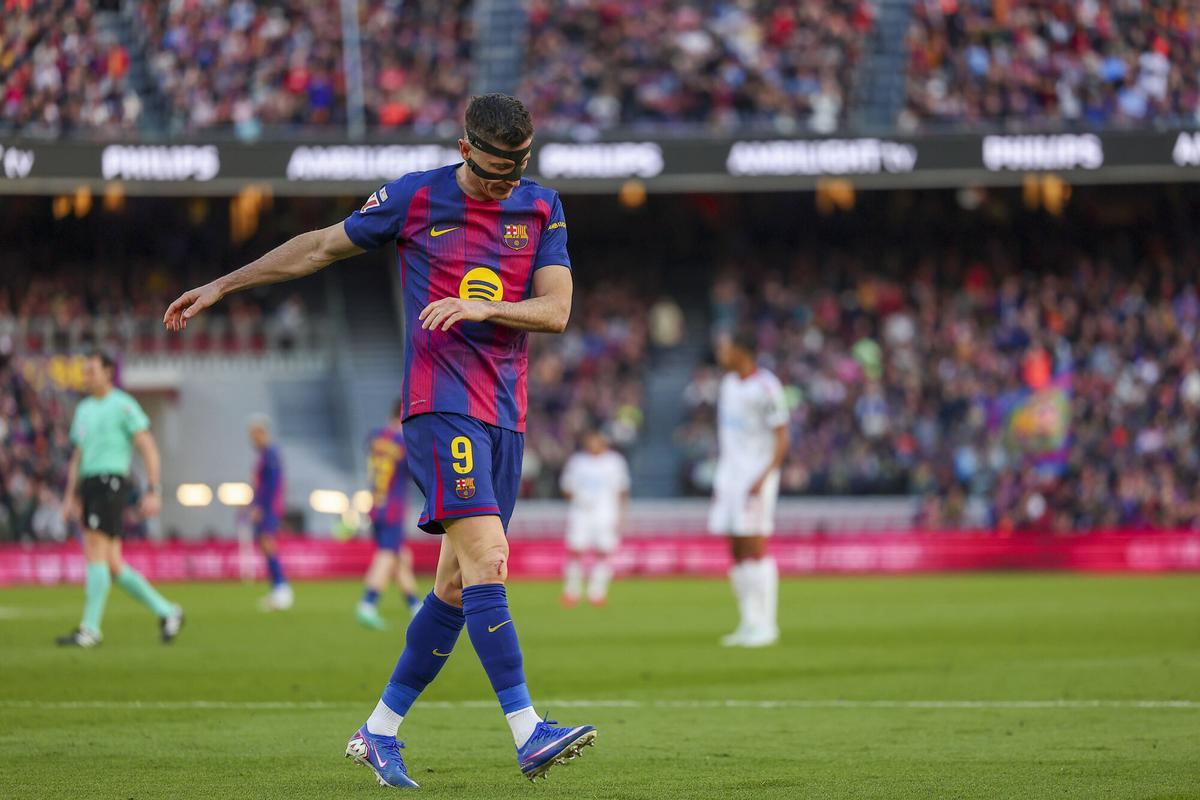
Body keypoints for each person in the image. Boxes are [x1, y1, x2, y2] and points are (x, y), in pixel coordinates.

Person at [163, 93, 595, 787]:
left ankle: (379, 731)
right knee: (489, 557)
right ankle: (528, 730)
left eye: (513, 174)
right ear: (463, 150)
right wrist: (224, 284)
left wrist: (484, 305)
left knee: (457, 584)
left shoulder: (541, 206)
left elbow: (558, 308)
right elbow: (321, 247)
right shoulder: (416, 197)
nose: (501, 188)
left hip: (505, 415)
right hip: (439, 405)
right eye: (490, 176)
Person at [56, 351, 183, 647]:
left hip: (110, 482)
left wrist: (153, 489)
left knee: (95, 551)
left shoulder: (123, 405)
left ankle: (90, 629)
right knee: (112, 564)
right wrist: (70, 496)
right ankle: (168, 611)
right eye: (85, 371)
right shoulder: (84, 409)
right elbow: (78, 456)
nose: (86, 377)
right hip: (90, 484)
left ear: (108, 373)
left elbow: (148, 447)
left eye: (91, 371)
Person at [708, 330, 789, 648]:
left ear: (741, 352)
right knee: (737, 548)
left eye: (726, 349)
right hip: (730, 478)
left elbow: (782, 436)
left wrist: (766, 475)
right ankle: (748, 621)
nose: (721, 354)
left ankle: (767, 625)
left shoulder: (766, 386)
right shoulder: (728, 385)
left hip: (757, 477)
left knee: (756, 546)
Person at [357, 399, 423, 630]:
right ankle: (367, 604)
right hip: (393, 508)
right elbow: (416, 472)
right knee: (387, 555)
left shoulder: (375, 436)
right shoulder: (403, 443)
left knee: (400, 558)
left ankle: (417, 608)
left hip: (375, 504)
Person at [559, 430, 630, 607]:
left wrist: (622, 515)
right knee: (576, 550)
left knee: (603, 552)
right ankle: (572, 591)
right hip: (581, 514)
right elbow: (566, 488)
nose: (594, 444)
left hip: (606, 514)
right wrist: (578, 496)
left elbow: (622, 490)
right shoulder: (578, 462)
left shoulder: (615, 462)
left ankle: (597, 592)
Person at [248, 415, 291, 611]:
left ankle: (281, 589)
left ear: (261, 432)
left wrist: (259, 506)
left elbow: (272, 485)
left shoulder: (270, 453)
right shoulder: (265, 454)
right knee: (266, 545)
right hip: (267, 507)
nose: (251, 438)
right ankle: (278, 589)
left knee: (268, 544)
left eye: (253, 434)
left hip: (269, 507)